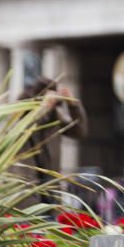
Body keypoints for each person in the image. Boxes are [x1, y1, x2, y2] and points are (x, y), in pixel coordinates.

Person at [16, 77, 88, 208]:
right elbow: (27, 128)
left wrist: (73, 105)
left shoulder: (53, 119)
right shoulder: (21, 116)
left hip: (50, 187)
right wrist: (43, 107)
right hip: (25, 187)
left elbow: (79, 131)